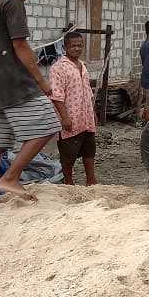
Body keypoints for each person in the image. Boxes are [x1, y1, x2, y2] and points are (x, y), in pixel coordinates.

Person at [0, 0, 61, 205]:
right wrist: (41, 79)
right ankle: (10, 177)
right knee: (48, 124)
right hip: (14, 83)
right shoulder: (12, 3)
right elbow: (20, 45)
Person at [49, 32, 98, 186]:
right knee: (68, 154)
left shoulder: (83, 66)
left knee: (89, 151)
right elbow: (56, 96)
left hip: (86, 118)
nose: (77, 49)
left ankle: (91, 180)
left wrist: (93, 113)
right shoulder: (58, 68)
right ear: (65, 47)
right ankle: (68, 182)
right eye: (73, 46)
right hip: (71, 119)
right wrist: (64, 117)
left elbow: (88, 91)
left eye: (79, 45)